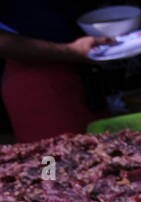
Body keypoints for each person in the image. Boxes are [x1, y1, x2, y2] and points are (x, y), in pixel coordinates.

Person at [0, 3, 109, 141]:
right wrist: (70, 51)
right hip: (37, 81)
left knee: (101, 153)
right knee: (52, 157)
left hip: (84, 73)